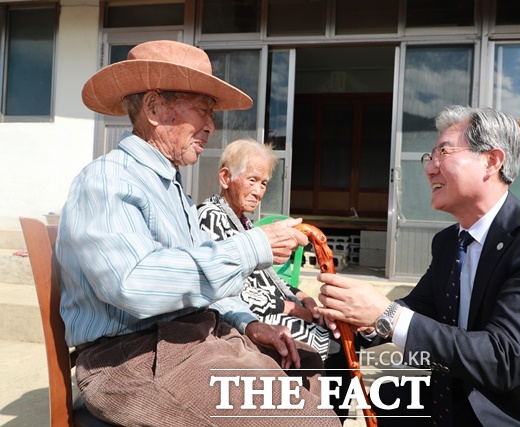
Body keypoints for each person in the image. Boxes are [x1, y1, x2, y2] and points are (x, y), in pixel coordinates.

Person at [56, 40, 340, 426]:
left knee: (312, 370)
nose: (211, 126)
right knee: (309, 421)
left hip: (185, 340)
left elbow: (194, 287)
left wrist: (248, 323)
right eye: (203, 111)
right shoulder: (108, 180)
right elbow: (135, 285)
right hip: (132, 359)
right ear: (155, 108)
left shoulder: (172, 190)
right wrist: (253, 245)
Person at [314, 105, 520, 426]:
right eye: (430, 157)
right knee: (393, 401)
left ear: (491, 161)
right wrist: (349, 317)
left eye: (443, 153)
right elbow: (419, 307)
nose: (429, 169)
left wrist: (386, 315)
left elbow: (506, 358)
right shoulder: (448, 242)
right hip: (465, 393)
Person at [196, 137, 352, 421]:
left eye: (264, 183)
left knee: (343, 330)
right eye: (252, 180)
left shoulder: (243, 221)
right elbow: (236, 292)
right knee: (335, 343)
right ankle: (328, 418)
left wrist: (302, 296)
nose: (258, 191)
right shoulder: (211, 219)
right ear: (225, 177)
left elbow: (271, 278)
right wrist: (296, 310)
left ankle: (329, 416)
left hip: (274, 310)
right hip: (245, 320)